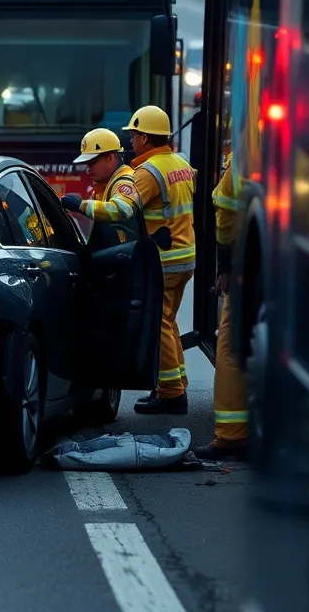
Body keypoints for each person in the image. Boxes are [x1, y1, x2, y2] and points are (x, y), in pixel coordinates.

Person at [121, 105, 197, 415]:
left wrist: (86, 205)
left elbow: (125, 208)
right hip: (185, 256)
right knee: (169, 320)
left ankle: (171, 394)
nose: (130, 142)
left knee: (160, 323)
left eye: (134, 135)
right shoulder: (180, 162)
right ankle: (177, 381)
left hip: (165, 260)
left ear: (145, 138)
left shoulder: (148, 172)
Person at [194, 152, 249, 460]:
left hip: (248, 264)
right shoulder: (300, 155)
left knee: (229, 344)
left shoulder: (245, 156)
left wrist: (225, 265)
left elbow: (225, 207)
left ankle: (232, 435)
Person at [60, 128, 138, 248]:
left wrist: (81, 205)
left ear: (111, 158)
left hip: (127, 259)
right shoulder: (104, 183)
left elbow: (122, 210)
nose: (88, 169)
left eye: (92, 163)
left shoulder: (125, 181)